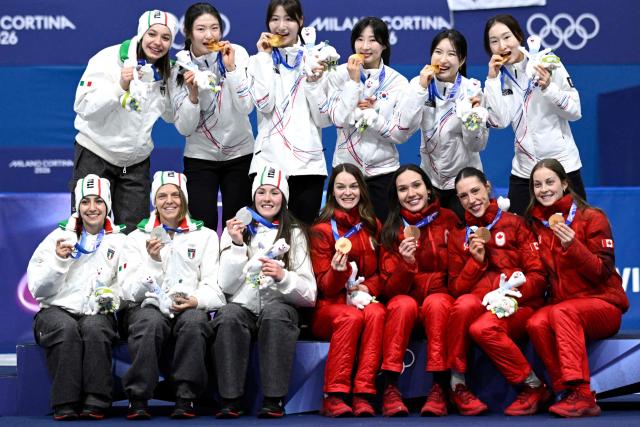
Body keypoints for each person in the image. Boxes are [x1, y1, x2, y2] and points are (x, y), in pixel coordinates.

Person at [525, 158, 629, 417]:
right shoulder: (537, 225)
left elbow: (601, 272)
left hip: (603, 304)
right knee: (536, 322)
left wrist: (574, 247)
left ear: (564, 184)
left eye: (550, 182)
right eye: (538, 185)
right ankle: (563, 389)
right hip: (564, 307)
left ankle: (583, 394)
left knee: (563, 312)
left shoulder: (592, 217)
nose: (544, 189)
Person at [118, 171, 225, 419]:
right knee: (149, 321)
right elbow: (128, 291)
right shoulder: (136, 238)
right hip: (147, 306)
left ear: (184, 199)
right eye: (162, 195)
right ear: (154, 201)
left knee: (195, 322)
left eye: (175, 195)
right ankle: (138, 397)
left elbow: (214, 287)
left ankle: (186, 397)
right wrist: (154, 263)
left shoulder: (206, 236)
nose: (169, 201)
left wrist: (195, 301)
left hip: (188, 304)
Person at [214, 165, 316, 418]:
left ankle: (274, 399)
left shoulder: (295, 234)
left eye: (274, 192)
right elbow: (224, 286)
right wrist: (237, 247)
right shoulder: (234, 230)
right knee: (228, 315)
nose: (267, 198)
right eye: (261, 192)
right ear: (253, 196)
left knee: (276, 315)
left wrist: (283, 277)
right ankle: (230, 399)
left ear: (284, 198)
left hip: (279, 308)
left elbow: (310, 294)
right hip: (243, 307)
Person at [446, 167, 548, 416]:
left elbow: (538, 276)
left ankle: (533, 386)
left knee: (482, 328)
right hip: (482, 304)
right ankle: (457, 385)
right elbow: (456, 288)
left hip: (518, 307)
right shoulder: (460, 235)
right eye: (463, 196)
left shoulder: (515, 224)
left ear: (488, 188)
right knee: (462, 306)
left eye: (475, 191)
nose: (471, 200)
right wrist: (476, 262)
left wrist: (512, 295)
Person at [72, 10, 183, 233]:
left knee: (134, 236)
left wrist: (186, 91)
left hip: (135, 165)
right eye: (152, 34)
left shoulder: (167, 71)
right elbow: (83, 107)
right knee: (87, 230)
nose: (158, 43)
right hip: (97, 155)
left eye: (166, 37)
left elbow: (172, 117)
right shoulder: (108, 58)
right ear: (142, 34)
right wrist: (120, 87)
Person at [27, 175, 126, 420]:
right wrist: (59, 261)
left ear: (108, 205)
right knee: (65, 328)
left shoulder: (121, 241)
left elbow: (128, 286)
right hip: (55, 311)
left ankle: (97, 400)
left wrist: (109, 300)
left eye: (98, 201)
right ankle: (66, 402)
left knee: (95, 328)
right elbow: (37, 288)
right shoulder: (56, 238)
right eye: (85, 202)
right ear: (76, 206)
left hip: (98, 312)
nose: (92, 208)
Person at [483, 14, 585, 215]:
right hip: (524, 172)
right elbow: (500, 121)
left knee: (576, 234)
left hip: (562, 167)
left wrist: (549, 88)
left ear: (519, 37)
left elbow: (575, 112)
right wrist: (492, 80)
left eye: (506, 37)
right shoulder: (497, 79)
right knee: (520, 237)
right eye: (494, 41)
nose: (502, 46)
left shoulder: (547, 63)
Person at [378, 165, 459, 416]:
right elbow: (389, 290)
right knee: (402, 304)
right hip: (406, 304)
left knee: (437, 302)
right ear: (396, 196)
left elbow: (457, 272)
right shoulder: (391, 230)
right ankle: (390, 388)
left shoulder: (449, 219)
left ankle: (439, 388)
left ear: (428, 188)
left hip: (440, 303)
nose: (411, 193)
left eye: (416, 185)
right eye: (403, 189)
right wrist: (406, 265)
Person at [309, 163, 385, 417]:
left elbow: (381, 274)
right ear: (332, 192)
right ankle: (335, 395)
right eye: (341, 187)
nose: (348, 192)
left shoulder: (373, 225)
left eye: (353, 186)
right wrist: (338, 271)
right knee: (350, 316)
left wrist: (367, 286)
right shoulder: (320, 231)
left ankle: (364, 392)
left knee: (377, 313)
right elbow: (326, 288)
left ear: (362, 190)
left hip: (362, 298)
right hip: (328, 309)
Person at [171, 2, 255, 230]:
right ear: (188, 33)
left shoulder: (238, 54)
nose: (209, 35)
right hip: (200, 158)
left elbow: (247, 106)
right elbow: (185, 128)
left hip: (240, 154)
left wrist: (232, 70)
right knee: (201, 231)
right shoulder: (178, 68)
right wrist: (192, 95)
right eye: (200, 29)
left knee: (238, 228)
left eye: (214, 28)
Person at [247, 0, 332, 224]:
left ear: (301, 22)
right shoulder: (256, 61)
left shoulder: (319, 59)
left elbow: (324, 119)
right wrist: (265, 58)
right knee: (265, 240)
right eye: (275, 19)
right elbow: (264, 105)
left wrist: (314, 83)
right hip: (268, 164)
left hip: (308, 166)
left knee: (303, 239)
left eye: (288, 19)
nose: (281, 26)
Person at [396, 30, 488, 220]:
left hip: (464, 184)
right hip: (431, 181)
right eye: (438, 52)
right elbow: (404, 128)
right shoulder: (418, 85)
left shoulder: (472, 91)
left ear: (461, 60)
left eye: (451, 54)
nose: (443, 59)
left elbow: (477, 145)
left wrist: (469, 118)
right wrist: (421, 89)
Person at [326, 17, 411, 222]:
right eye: (360, 39)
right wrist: (353, 83)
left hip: (383, 172)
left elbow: (399, 134)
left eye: (372, 40)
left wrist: (373, 116)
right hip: (346, 171)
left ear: (384, 44)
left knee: (384, 238)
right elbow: (338, 119)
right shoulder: (338, 74)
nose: (365, 46)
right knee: (344, 239)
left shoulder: (398, 82)